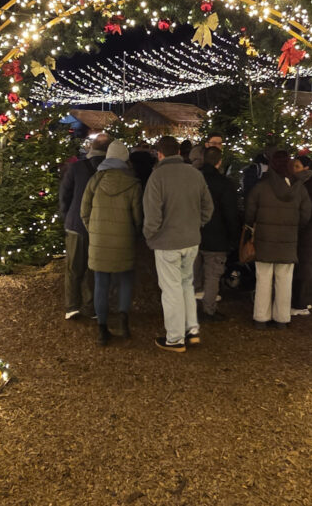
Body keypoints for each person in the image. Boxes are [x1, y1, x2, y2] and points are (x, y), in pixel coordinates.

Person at [143, 136, 214, 352]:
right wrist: (196, 224)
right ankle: (190, 330)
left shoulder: (157, 177)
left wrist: (149, 235)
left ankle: (175, 338)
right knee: (186, 285)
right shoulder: (195, 174)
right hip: (191, 240)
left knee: (171, 290)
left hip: (167, 242)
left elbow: (152, 215)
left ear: (159, 154)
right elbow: (208, 207)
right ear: (179, 152)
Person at [81, 141, 143, 346]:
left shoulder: (95, 181)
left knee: (101, 282)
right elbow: (138, 217)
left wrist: (94, 230)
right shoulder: (133, 184)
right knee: (125, 280)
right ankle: (123, 322)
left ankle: (102, 328)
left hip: (99, 240)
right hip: (124, 238)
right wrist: (133, 233)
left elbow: (84, 211)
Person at [244, 150, 311, 329]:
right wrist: (294, 226)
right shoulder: (299, 188)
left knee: (263, 279)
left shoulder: (261, 187)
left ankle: (261, 318)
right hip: (288, 241)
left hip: (264, 240)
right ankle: (282, 318)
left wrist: (252, 225)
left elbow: (250, 212)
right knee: (285, 280)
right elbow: (306, 214)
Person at [58, 134, 111, 320]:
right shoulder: (113, 171)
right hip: (101, 226)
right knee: (94, 268)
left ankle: (72, 306)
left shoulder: (76, 168)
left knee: (73, 267)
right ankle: (91, 306)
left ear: (91, 147)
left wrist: (67, 216)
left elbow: (64, 194)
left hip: (76, 224)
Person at [196, 146, 239, 321]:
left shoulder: (194, 179)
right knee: (213, 275)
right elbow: (231, 213)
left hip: (194, 233)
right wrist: (234, 237)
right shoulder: (225, 184)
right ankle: (209, 309)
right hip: (217, 236)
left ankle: (188, 308)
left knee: (192, 273)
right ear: (219, 162)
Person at [291, 154, 312, 316]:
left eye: (297, 166)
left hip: (306, 230)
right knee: (300, 264)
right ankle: (297, 301)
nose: (294, 169)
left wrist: (304, 223)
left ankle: (299, 302)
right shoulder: (302, 181)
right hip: (302, 229)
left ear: (306, 167)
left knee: (303, 265)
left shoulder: (311, 182)